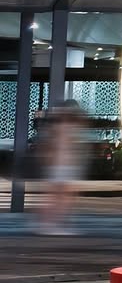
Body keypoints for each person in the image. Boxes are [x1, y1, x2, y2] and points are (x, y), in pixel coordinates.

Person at [38, 98, 90, 236]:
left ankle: (50, 223)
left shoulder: (59, 126)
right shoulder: (65, 127)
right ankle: (50, 223)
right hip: (62, 166)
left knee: (59, 197)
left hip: (62, 166)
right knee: (61, 197)